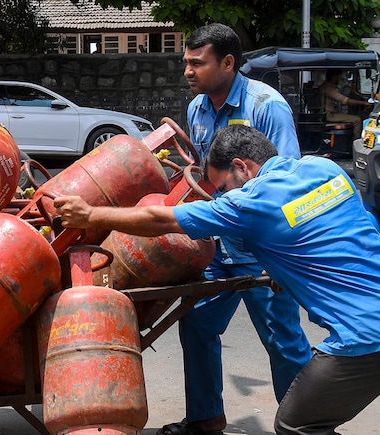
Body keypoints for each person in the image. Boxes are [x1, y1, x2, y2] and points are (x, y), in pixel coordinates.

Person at [54, 124, 380, 435]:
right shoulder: (326, 170)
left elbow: (160, 219)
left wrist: (90, 215)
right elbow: (344, 232)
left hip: (364, 338)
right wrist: (284, 268)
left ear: (242, 167)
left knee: (297, 424)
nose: (222, 197)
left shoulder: (249, 202)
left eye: (222, 188)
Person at [154, 23, 313, 435]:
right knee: (198, 325)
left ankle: (306, 426)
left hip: (263, 251)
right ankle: (206, 420)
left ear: (228, 62)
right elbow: (207, 177)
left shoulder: (266, 106)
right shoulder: (197, 108)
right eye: (185, 63)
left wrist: (280, 257)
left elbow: (286, 184)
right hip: (217, 247)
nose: (188, 71)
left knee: (284, 342)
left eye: (196, 63)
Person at [318, 69, 372, 139]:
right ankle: (356, 141)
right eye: (338, 77)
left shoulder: (324, 86)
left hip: (326, 114)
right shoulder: (328, 88)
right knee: (357, 120)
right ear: (334, 77)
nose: (339, 79)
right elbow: (345, 100)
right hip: (329, 115)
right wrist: (363, 103)